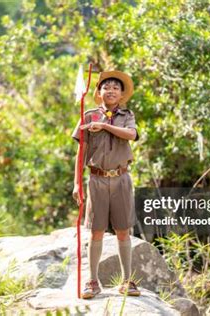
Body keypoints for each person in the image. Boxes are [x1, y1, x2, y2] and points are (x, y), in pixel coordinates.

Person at [72, 70, 140, 299]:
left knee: (123, 231)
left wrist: (106, 126)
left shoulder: (126, 116)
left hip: (121, 178)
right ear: (99, 93)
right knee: (96, 231)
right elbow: (80, 153)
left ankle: (127, 280)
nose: (110, 91)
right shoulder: (89, 116)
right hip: (97, 180)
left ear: (121, 95)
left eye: (115, 88)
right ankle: (92, 280)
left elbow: (131, 135)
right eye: (106, 87)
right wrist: (76, 185)